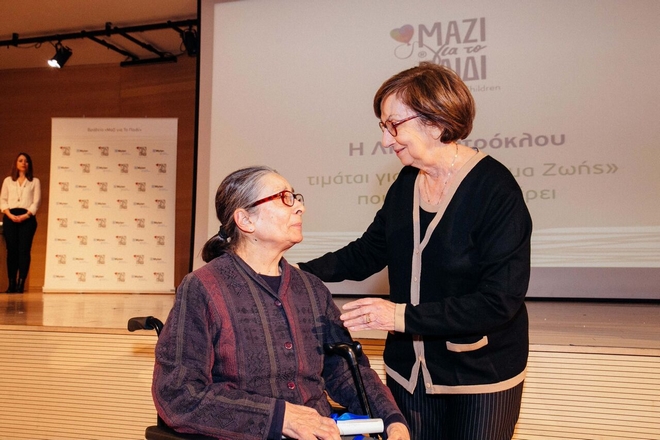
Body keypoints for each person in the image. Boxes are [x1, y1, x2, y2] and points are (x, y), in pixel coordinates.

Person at [298, 63, 533, 440]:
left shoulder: (494, 189)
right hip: (409, 373)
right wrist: (294, 272)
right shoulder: (406, 182)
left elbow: (498, 302)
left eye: (394, 125)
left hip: (480, 377)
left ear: (436, 122)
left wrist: (398, 315)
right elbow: (367, 252)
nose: (385, 140)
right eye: (383, 126)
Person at [152, 166, 409, 440]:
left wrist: (392, 420)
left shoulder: (311, 288)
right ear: (245, 220)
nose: (300, 207)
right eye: (284, 198)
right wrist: (280, 417)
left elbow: (346, 372)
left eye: (296, 197)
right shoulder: (203, 287)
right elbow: (177, 394)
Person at [1, 152, 41, 294]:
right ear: (16, 163)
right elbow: (3, 200)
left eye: (26, 161)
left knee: (24, 251)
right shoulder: (8, 181)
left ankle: (20, 283)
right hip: (10, 217)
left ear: (29, 164)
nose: (23, 163)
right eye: (20, 160)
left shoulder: (34, 181)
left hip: (27, 219)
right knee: (11, 251)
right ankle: (11, 283)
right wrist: (9, 215)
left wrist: (25, 216)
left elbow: (36, 202)